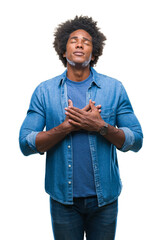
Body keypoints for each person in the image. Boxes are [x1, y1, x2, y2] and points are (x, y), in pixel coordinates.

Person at [19, 16, 143, 240]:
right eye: (73, 40)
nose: (79, 44)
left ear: (93, 54)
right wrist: (65, 128)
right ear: (63, 52)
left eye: (86, 41)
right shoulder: (44, 91)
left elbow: (136, 140)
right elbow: (26, 143)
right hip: (63, 203)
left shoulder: (114, 89)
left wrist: (101, 126)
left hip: (105, 201)